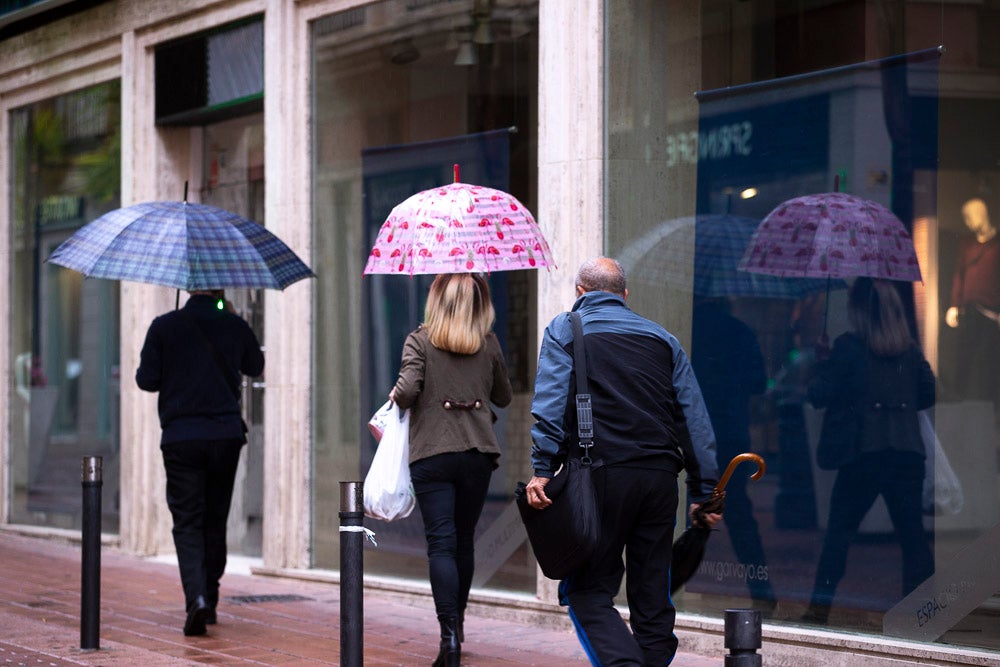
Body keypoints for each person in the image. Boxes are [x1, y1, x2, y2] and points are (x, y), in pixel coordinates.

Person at [525, 257, 721, 666]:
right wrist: (704, 490)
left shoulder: (566, 328)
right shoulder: (662, 338)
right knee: (652, 592)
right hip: (660, 479)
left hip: (601, 477)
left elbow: (550, 403)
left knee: (587, 590)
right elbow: (693, 418)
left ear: (579, 292)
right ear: (625, 295)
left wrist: (543, 468)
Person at [389, 272, 512, 667]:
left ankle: (449, 639)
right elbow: (504, 396)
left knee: (440, 544)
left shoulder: (419, 340)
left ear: (436, 301)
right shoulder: (488, 342)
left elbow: (407, 392)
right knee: (463, 542)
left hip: (433, 454)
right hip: (477, 453)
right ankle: (458, 624)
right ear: (479, 304)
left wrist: (397, 393)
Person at [802, 278, 935, 624]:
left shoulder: (849, 347)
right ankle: (922, 618)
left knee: (838, 536)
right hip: (906, 452)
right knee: (913, 539)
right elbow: (928, 392)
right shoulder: (909, 349)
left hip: (863, 454)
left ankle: (818, 611)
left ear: (860, 311)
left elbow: (818, 394)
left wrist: (822, 361)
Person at [135, 289, 264, 637]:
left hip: (182, 438)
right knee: (215, 518)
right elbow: (255, 366)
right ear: (219, 289)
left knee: (188, 520)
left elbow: (146, 380)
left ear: (189, 288)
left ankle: (197, 598)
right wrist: (235, 320)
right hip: (224, 436)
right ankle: (211, 595)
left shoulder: (164, 326)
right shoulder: (234, 324)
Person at [691, 298, 776, 612]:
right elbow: (759, 384)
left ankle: (675, 582)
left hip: (694, 431)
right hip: (731, 430)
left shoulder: (690, 329)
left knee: (688, 511)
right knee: (739, 513)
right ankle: (761, 590)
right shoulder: (741, 331)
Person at [945, 197, 1000, 401]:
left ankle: (990, 400)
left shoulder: (997, 243)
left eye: (969, 217)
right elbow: (959, 274)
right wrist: (954, 305)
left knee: (989, 356)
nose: (967, 222)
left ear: (981, 215)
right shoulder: (966, 243)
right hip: (969, 309)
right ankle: (958, 397)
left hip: (991, 311)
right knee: (964, 353)